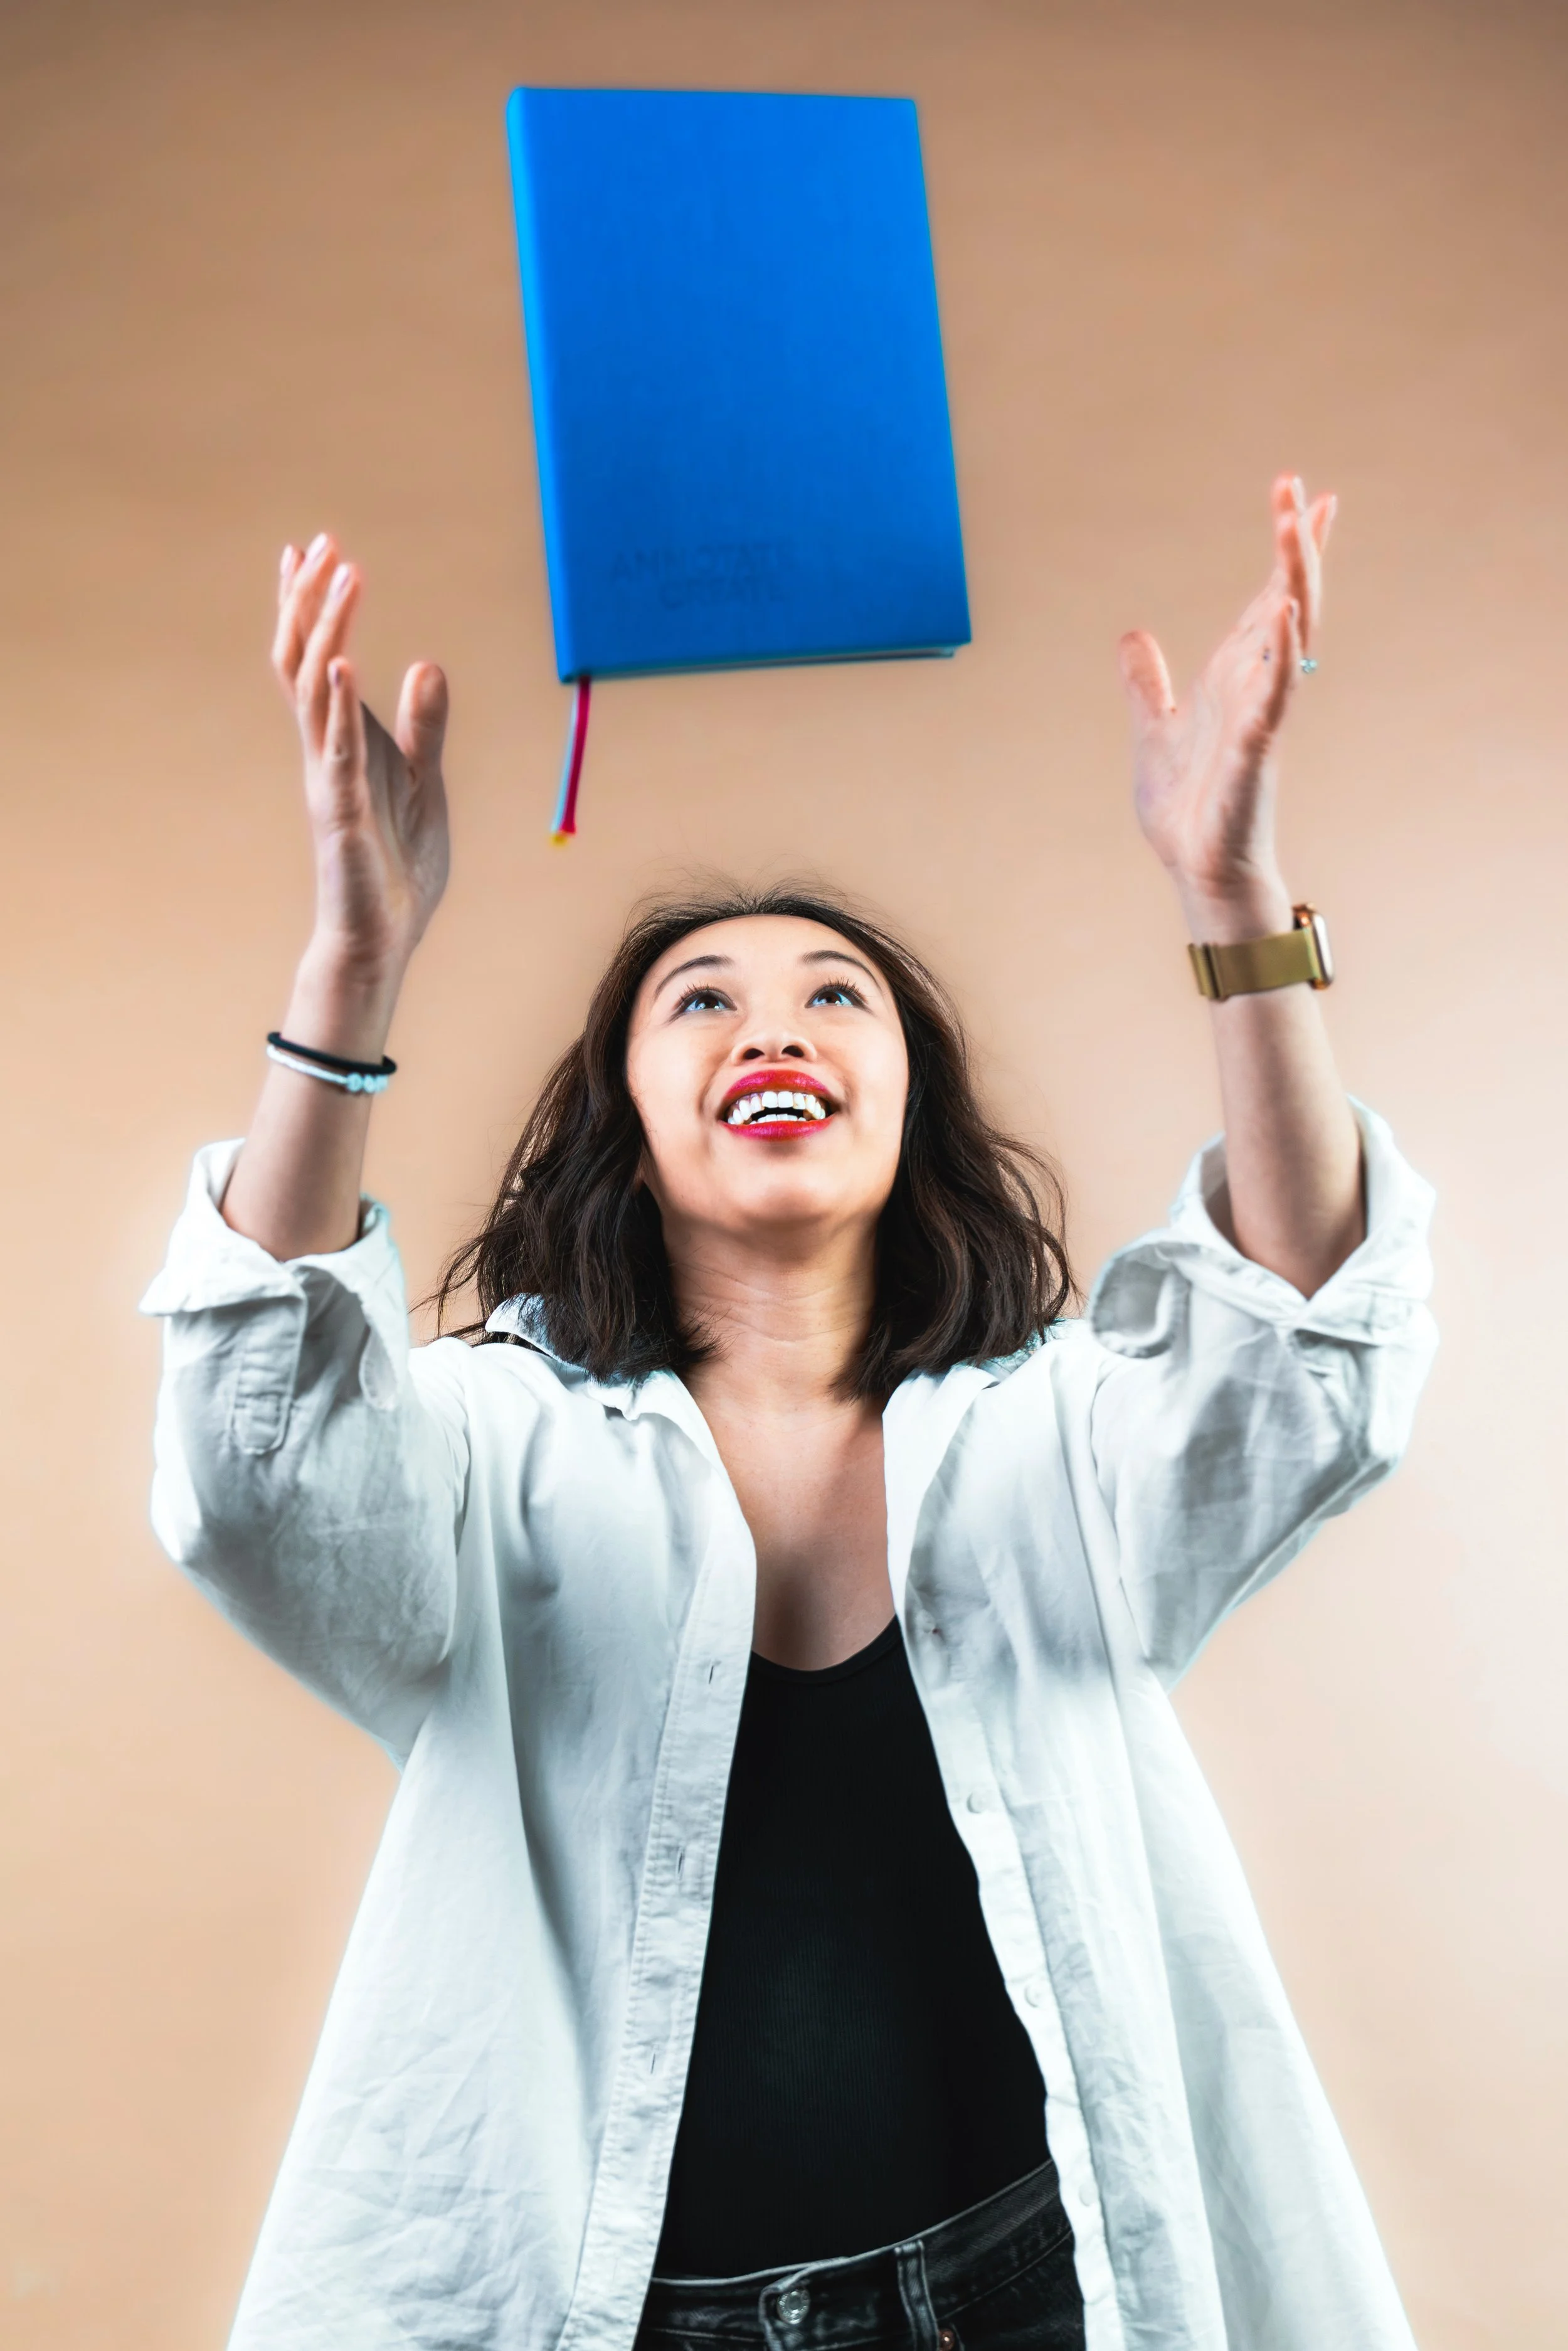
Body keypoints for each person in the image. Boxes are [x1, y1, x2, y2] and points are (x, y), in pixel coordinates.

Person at [143, 475, 1436, 2351]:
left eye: (837, 995)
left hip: (1035, 2292)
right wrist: (354, 965)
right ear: (629, 1127)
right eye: (701, 1001)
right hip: (627, 2318)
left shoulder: (1047, 1442)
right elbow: (257, 1474)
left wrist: (1232, 898)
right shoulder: (501, 1447)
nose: (774, 1026)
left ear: (906, 1106)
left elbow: (1303, 1348)